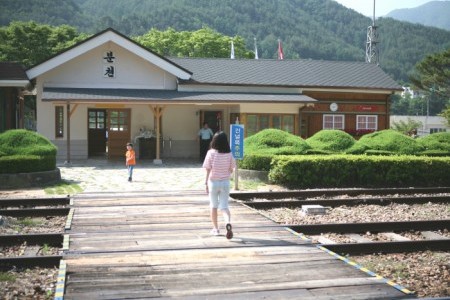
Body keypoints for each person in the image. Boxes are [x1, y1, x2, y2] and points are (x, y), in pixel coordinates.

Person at [202, 131, 236, 239]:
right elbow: (231, 169)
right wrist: (226, 174)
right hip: (225, 182)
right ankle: (227, 223)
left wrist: (206, 182)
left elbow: (208, 169)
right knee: (224, 206)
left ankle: (216, 229)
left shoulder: (210, 153)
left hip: (213, 182)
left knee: (213, 206)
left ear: (214, 141)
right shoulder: (230, 154)